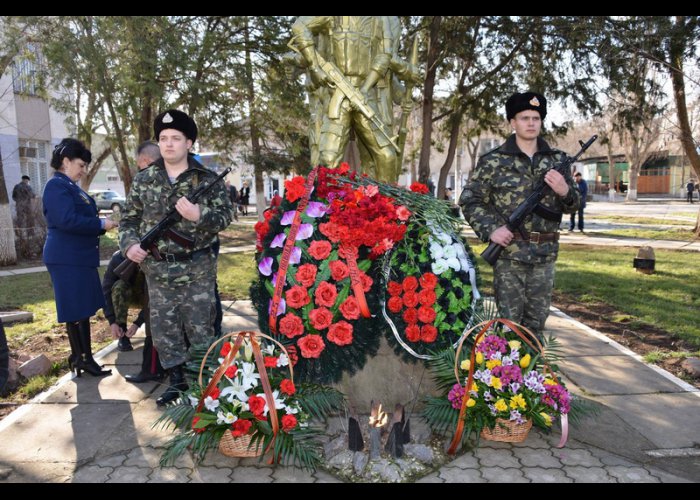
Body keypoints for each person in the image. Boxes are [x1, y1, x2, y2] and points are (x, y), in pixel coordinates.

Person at [119, 109, 234, 406]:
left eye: (176, 138)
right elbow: (128, 220)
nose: (168, 144)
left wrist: (199, 215)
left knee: (200, 328)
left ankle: (205, 386)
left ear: (189, 144)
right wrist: (130, 245)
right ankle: (177, 382)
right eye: (163, 139)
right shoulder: (145, 179)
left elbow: (224, 216)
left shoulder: (205, 179)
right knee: (164, 330)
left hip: (197, 270)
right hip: (158, 271)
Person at [460, 91, 580, 341]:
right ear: (513, 122)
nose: (531, 123)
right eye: (524, 117)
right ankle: (506, 378)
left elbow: (574, 204)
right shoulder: (494, 161)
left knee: (536, 327)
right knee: (509, 328)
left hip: (544, 256)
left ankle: (533, 377)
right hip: (510, 256)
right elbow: (470, 200)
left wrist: (565, 190)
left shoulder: (557, 160)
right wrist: (491, 229)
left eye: (536, 118)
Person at [289, 16, 420, 183]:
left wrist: (365, 89)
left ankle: (386, 206)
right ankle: (324, 206)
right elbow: (299, 26)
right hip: (337, 92)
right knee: (328, 160)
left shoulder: (382, 19)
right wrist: (314, 67)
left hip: (365, 95)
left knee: (387, 156)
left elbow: (385, 54)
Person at [43, 138, 118, 377]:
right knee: (76, 309)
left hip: (76, 256)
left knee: (81, 308)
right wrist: (100, 224)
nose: (83, 170)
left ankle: (80, 357)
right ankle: (83, 358)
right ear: (65, 162)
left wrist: (100, 223)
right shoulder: (57, 186)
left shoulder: (69, 185)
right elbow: (66, 220)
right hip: (67, 257)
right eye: (81, 164)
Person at [102, 250, 165, 382]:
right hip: (130, 295)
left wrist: (138, 323)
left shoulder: (153, 256)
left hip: (150, 296)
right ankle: (122, 334)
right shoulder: (117, 258)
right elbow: (106, 290)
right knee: (119, 287)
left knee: (154, 295)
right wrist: (113, 322)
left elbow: (155, 296)